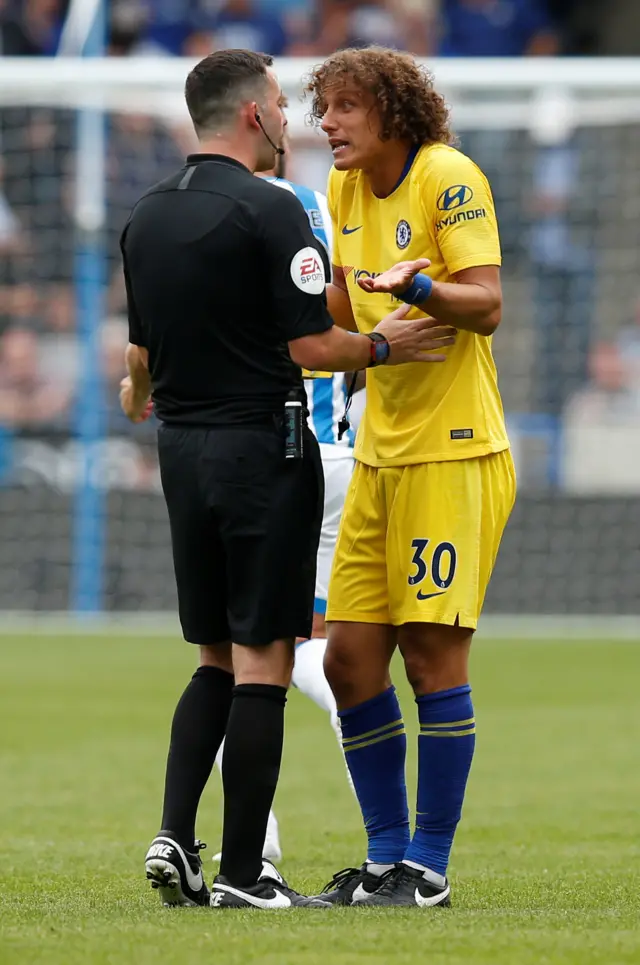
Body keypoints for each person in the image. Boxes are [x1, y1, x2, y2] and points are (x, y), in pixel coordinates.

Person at [119, 49, 457, 911]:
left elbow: (139, 363)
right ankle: (246, 872)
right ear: (252, 116)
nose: (293, 119)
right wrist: (386, 345)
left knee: (212, 660)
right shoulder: (279, 211)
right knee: (277, 658)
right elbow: (311, 348)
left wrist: (140, 393)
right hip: (272, 453)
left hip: (182, 456)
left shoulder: (146, 217)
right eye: (281, 103)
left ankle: (174, 835)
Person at [304, 46, 517, 907]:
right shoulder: (345, 191)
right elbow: (345, 311)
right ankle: (384, 860)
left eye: (345, 108)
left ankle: (425, 868)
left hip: (454, 450)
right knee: (351, 659)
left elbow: (489, 301)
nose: (328, 124)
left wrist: (422, 286)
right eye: (322, 110)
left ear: (391, 111)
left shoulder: (446, 174)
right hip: (381, 453)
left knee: (432, 657)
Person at [211, 137, 359, 864]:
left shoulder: (211, 214)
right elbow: (342, 313)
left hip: (261, 451)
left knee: (242, 658)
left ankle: (255, 847)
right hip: (337, 452)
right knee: (326, 647)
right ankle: (388, 843)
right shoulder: (323, 207)